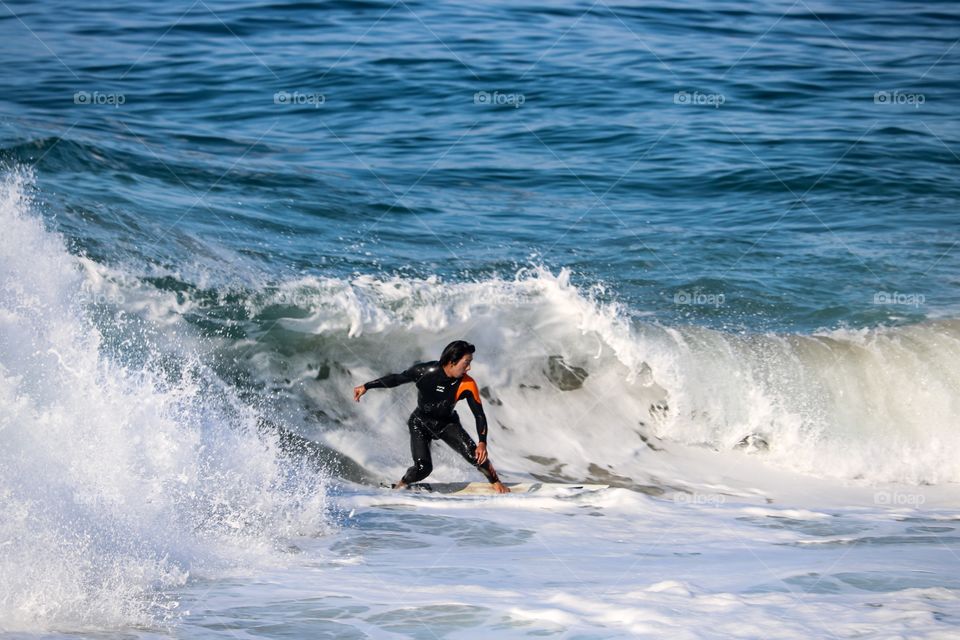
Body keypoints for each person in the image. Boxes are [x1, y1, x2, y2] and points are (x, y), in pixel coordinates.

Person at [353, 340, 510, 493]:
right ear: (452, 361)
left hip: (447, 424)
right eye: (466, 362)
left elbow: (479, 415)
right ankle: (401, 485)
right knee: (423, 468)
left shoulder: (467, 384)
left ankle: (496, 482)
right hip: (420, 423)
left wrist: (482, 442)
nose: (469, 368)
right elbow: (396, 379)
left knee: (474, 455)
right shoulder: (424, 372)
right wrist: (367, 386)